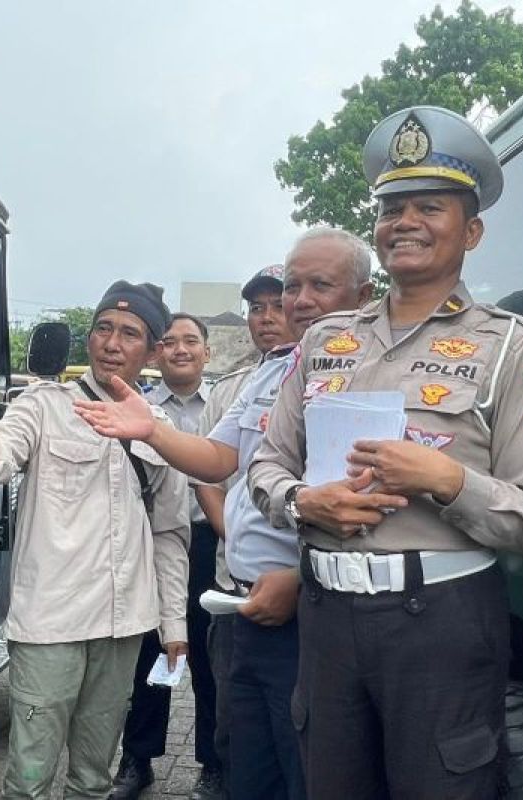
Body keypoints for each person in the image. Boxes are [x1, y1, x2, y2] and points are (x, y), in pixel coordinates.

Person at [247, 106, 523, 799]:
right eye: (392, 208)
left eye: (430, 207)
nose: (405, 222)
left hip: (444, 622)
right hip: (327, 616)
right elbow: (266, 465)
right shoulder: (325, 340)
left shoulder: (513, 346)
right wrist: (304, 502)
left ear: (471, 231)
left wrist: (449, 480)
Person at [75, 229, 375, 800]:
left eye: (319, 285)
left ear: (362, 296)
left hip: (312, 608)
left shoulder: (371, 370)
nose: (299, 301)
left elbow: (369, 502)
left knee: (308, 769)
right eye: (292, 287)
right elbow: (217, 458)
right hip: (243, 604)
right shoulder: (274, 370)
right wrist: (152, 430)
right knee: (246, 764)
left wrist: (301, 578)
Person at [0, 280, 190, 800]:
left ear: (152, 351)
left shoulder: (160, 427)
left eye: (130, 333)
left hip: (124, 624)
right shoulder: (43, 405)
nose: (112, 343)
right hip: (50, 623)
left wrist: (173, 623)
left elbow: (169, 534)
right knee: (29, 778)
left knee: (94, 777)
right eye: (103, 328)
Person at [112, 312, 221, 800]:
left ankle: (214, 765)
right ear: (157, 353)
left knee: (210, 660)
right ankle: (137, 760)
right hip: (154, 543)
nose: (180, 349)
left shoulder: (225, 405)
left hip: (212, 543)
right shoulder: (139, 408)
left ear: (206, 352)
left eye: (190, 341)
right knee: (150, 655)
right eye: (170, 342)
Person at [194, 264, 288, 790]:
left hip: (302, 587)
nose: (266, 317)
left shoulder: (329, 378)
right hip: (235, 584)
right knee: (235, 717)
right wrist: (234, 534)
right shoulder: (233, 387)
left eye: (278, 305)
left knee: (297, 733)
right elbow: (207, 470)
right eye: (256, 308)